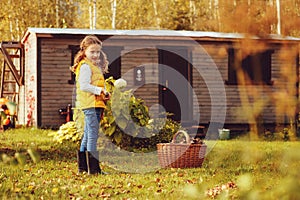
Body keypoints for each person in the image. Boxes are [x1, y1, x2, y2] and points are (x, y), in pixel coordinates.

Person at [71, 35, 110, 175]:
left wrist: (103, 92)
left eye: (97, 52)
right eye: (92, 51)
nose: (95, 54)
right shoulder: (86, 66)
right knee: (92, 135)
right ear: (84, 51)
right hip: (90, 104)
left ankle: (83, 168)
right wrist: (100, 90)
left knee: (88, 135)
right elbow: (84, 86)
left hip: (94, 103)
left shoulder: (92, 66)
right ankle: (93, 170)